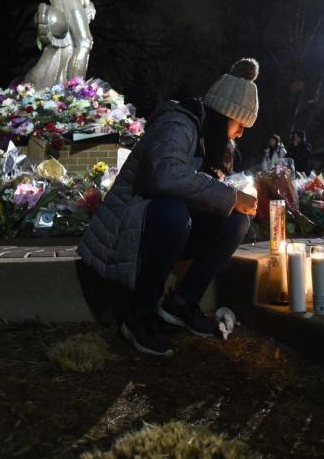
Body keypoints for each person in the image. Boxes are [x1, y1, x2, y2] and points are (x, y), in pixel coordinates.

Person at [78, 58, 261, 356]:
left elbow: (199, 189)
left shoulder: (207, 138)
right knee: (175, 211)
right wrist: (228, 196)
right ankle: (140, 312)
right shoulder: (178, 123)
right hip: (133, 223)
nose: (240, 134)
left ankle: (182, 303)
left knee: (235, 220)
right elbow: (166, 175)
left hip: (168, 225)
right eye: (240, 125)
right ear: (224, 115)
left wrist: (232, 199)